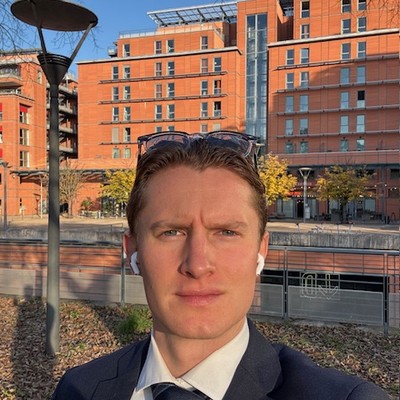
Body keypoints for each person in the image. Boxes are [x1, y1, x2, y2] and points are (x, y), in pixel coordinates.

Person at [52, 131, 389, 400]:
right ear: (133, 252)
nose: (198, 265)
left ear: (260, 251)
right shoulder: (79, 389)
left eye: (227, 232)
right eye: (171, 232)